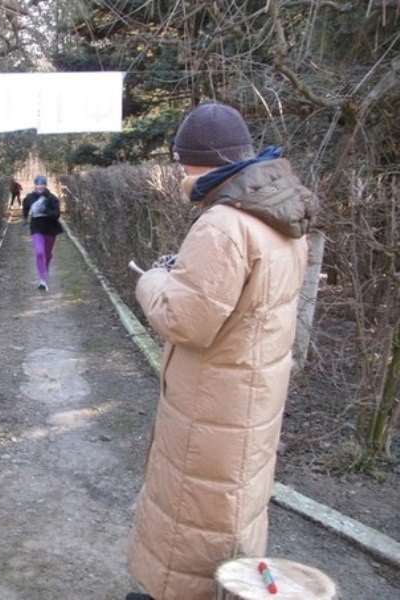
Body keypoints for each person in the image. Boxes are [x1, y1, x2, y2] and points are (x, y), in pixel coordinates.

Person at [126, 102, 317, 600]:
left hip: (214, 403)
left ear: (198, 163)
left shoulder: (224, 224)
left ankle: (181, 593)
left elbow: (184, 319)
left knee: (196, 510)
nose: (182, 174)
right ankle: (229, 589)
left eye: (183, 163)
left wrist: (153, 280)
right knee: (234, 505)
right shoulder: (279, 217)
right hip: (251, 397)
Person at [22, 175, 63, 291]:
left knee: (47, 254)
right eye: (37, 184)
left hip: (50, 229)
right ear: (34, 185)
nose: (39, 186)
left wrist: (45, 210)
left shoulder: (52, 198)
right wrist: (25, 218)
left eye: (42, 184)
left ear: (45, 185)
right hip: (36, 228)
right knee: (40, 252)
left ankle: (45, 268)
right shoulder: (29, 197)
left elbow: (56, 215)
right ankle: (42, 280)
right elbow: (25, 207)